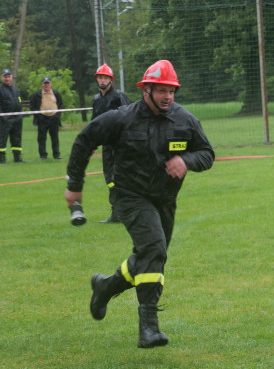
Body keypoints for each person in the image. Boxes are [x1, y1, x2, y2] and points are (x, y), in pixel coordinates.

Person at [64, 59, 215, 348]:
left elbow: (207, 153)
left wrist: (186, 160)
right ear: (146, 90)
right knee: (154, 249)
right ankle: (149, 328)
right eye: (161, 90)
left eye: (171, 91)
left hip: (165, 199)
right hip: (130, 195)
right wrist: (74, 187)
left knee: (150, 257)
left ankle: (106, 286)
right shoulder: (121, 118)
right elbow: (84, 140)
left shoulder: (185, 120)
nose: (167, 96)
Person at [90, 63, 131, 223]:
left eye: (105, 77)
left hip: (121, 144)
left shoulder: (118, 96)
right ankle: (116, 213)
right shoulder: (96, 99)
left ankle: (127, 211)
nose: (102, 80)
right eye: (100, 77)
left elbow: (129, 118)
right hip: (107, 145)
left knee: (122, 176)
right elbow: (94, 124)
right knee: (110, 178)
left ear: (111, 80)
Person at [0, 69, 24, 163]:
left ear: (11, 77)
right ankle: (2, 159)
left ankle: (17, 158)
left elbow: (19, 101)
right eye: (5, 76)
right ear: (2, 77)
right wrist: (3, 117)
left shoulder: (15, 89)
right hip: (6, 119)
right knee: (3, 139)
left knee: (17, 138)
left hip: (17, 118)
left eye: (9, 76)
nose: (7, 78)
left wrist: (20, 115)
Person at [29, 76, 64, 160]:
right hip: (42, 119)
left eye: (48, 83)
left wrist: (57, 115)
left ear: (50, 84)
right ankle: (43, 155)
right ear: (42, 84)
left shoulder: (56, 93)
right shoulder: (37, 94)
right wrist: (38, 116)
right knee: (41, 138)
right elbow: (32, 106)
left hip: (54, 118)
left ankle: (56, 154)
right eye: (45, 83)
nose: (46, 85)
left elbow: (61, 104)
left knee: (55, 137)